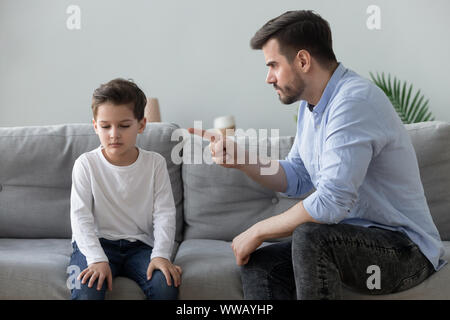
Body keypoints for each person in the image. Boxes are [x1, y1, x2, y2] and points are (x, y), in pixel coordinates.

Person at [189, 10, 446, 299]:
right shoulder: (310, 107)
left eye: (273, 65)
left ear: (302, 60)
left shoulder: (353, 102)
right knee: (263, 263)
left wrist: (258, 231)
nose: (268, 78)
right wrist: (244, 160)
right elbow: (298, 176)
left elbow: (331, 202)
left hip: (404, 250)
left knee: (311, 237)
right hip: (348, 241)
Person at [68, 78, 181, 300]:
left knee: (165, 286)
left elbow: (165, 214)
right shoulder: (86, 164)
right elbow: (80, 218)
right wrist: (96, 258)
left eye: (124, 125)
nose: (114, 134)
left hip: (140, 247)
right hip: (95, 243)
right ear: (95, 126)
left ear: (141, 124)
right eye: (105, 126)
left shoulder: (155, 163)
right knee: (86, 289)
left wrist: (160, 255)